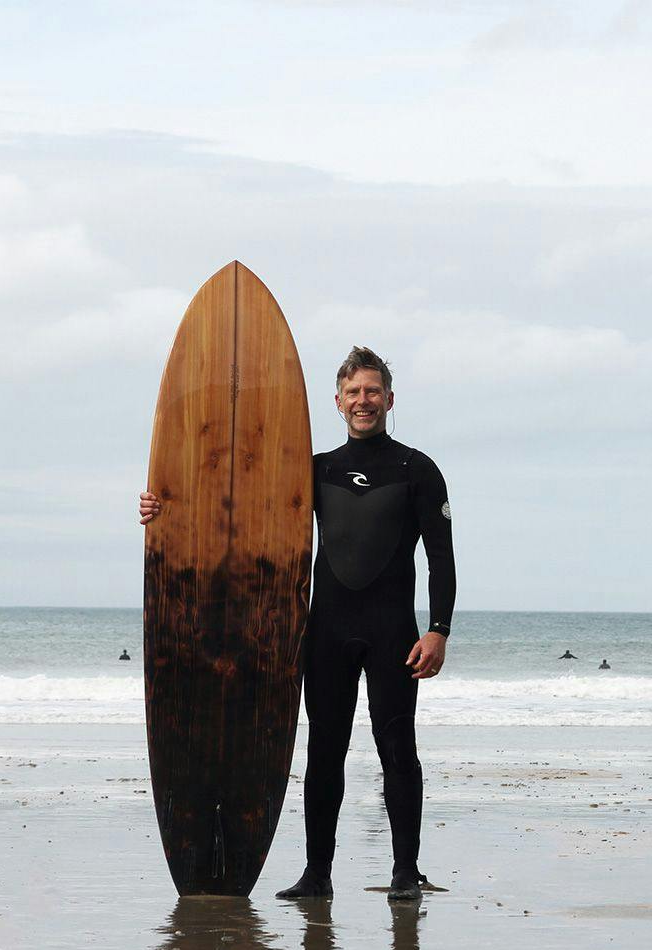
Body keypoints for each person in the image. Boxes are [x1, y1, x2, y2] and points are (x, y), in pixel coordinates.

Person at [140, 346, 454, 902]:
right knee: (323, 753)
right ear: (338, 401)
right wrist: (166, 506)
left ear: (389, 398)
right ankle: (318, 874)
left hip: (392, 633)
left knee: (397, 748)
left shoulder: (417, 469)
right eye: (354, 392)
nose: (364, 401)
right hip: (328, 631)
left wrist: (439, 630)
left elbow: (441, 556)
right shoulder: (317, 470)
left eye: (373, 391)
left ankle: (405, 871)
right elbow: (244, 507)